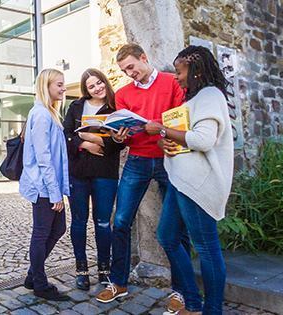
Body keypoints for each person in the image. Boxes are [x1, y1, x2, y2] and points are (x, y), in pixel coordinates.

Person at [145, 46, 233, 315]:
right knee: (168, 237)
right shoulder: (192, 100)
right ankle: (193, 304)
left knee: (206, 248)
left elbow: (203, 140)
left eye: (180, 71)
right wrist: (165, 141)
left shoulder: (209, 96)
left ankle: (212, 310)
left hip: (197, 185)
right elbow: (185, 137)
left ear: (196, 71)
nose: (176, 77)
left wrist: (160, 128)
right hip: (180, 181)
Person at [96, 43, 188, 302]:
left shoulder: (172, 83)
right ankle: (119, 283)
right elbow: (124, 135)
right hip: (136, 160)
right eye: (125, 71)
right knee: (121, 221)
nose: (129, 74)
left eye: (131, 67)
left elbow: (180, 124)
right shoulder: (123, 94)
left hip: (168, 161)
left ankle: (181, 291)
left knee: (178, 228)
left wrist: (158, 129)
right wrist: (120, 136)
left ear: (144, 58)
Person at [62, 69, 123, 290]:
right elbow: (66, 135)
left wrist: (105, 140)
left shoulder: (116, 107)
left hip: (105, 173)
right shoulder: (76, 107)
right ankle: (81, 270)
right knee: (79, 221)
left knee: (103, 222)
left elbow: (120, 143)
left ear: (105, 82)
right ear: (85, 90)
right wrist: (85, 142)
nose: (97, 88)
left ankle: (104, 270)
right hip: (78, 172)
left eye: (99, 83)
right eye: (91, 86)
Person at [21, 68, 71, 301]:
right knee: (42, 233)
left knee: (57, 229)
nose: (63, 88)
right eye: (59, 84)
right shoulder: (41, 114)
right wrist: (54, 193)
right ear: (47, 86)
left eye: (63, 84)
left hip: (48, 186)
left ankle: (33, 276)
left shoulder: (47, 113)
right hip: (43, 187)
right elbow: (43, 157)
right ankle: (40, 283)